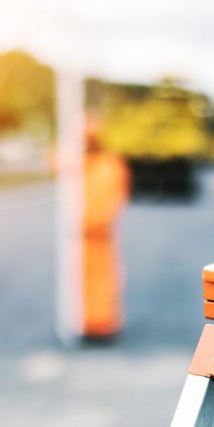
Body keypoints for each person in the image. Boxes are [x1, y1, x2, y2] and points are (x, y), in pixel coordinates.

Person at [80, 118, 131, 338]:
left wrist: (102, 221)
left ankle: (104, 322)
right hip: (80, 235)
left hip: (101, 233)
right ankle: (86, 321)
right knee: (82, 278)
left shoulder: (109, 164)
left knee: (105, 278)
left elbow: (117, 196)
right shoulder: (80, 164)